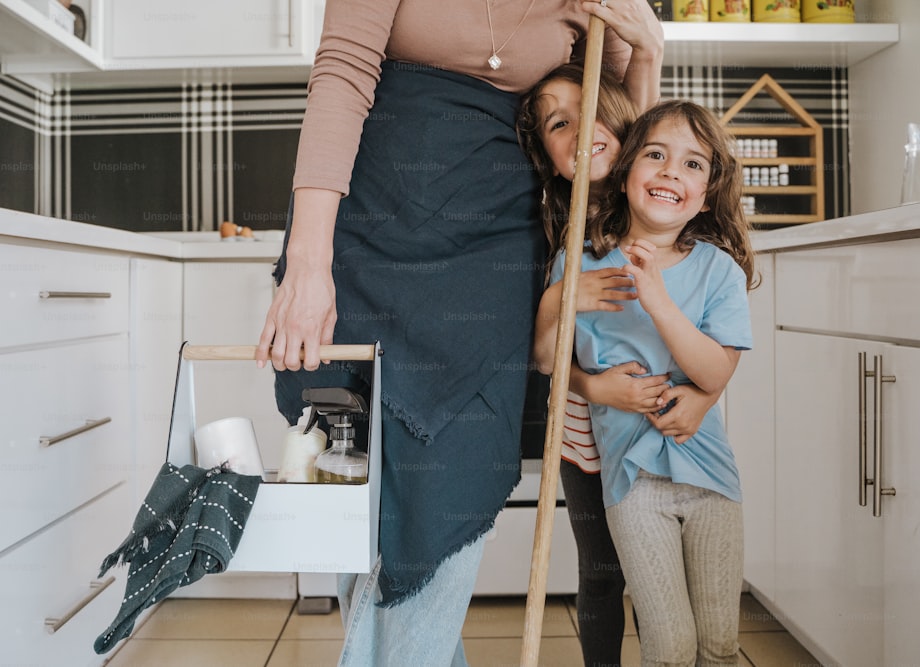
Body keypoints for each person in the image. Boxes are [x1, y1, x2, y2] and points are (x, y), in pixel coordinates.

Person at [253, 0, 664, 664]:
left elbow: (616, 135)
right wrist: (308, 263)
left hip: (492, 256)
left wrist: (648, 50)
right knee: (358, 492)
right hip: (365, 230)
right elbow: (344, 70)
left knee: (450, 473)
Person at [537, 99, 756, 665]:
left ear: (706, 194)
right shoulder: (577, 263)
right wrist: (594, 387)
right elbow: (545, 359)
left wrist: (656, 296)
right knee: (672, 645)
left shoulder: (718, 271)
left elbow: (715, 371)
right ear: (628, 168)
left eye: (693, 165)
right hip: (632, 483)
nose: (669, 173)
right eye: (655, 155)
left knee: (719, 644)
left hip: (711, 477)